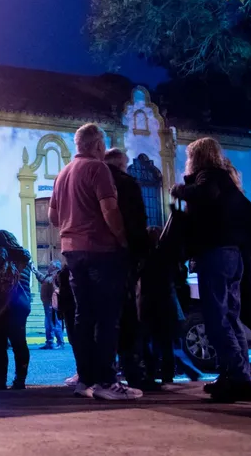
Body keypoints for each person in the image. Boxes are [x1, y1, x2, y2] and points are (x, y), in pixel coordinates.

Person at [49, 123, 141, 400]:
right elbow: (109, 209)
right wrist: (123, 239)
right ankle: (106, 381)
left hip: (71, 252)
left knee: (83, 316)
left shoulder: (63, 173)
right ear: (97, 144)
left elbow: (53, 217)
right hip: (100, 250)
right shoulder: (97, 168)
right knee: (107, 316)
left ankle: (84, 380)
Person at [171, 138, 251, 402]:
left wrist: (179, 190)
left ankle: (239, 380)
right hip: (233, 254)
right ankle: (233, 375)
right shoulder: (226, 179)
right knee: (230, 318)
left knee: (216, 318)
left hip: (215, 254)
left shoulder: (208, 176)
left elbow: (204, 195)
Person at [104, 148, 153, 390]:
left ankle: (100, 373)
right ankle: (134, 373)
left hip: (94, 254)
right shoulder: (126, 183)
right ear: (121, 163)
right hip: (122, 254)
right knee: (127, 317)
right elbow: (136, 221)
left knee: (100, 317)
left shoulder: (93, 179)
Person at [139, 226, 202, 384]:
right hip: (166, 302)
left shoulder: (144, 257)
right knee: (166, 342)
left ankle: (151, 373)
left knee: (150, 341)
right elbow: (179, 278)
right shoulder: (169, 257)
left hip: (148, 303)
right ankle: (168, 375)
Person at [0, 230, 32, 389]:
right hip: (21, 303)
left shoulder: (0, 252)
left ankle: (1, 381)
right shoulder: (24, 256)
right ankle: (20, 380)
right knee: (19, 343)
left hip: (0, 304)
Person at [39, 260, 64, 350]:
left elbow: (49, 282)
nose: (48, 266)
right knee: (48, 324)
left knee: (55, 323)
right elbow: (43, 280)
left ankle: (60, 342)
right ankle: (49, 342)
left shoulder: (56, 275)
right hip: (47, 303)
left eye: (50, 265)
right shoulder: (49, 275)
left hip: (52, 303)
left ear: (54, 267)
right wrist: (35, 271)